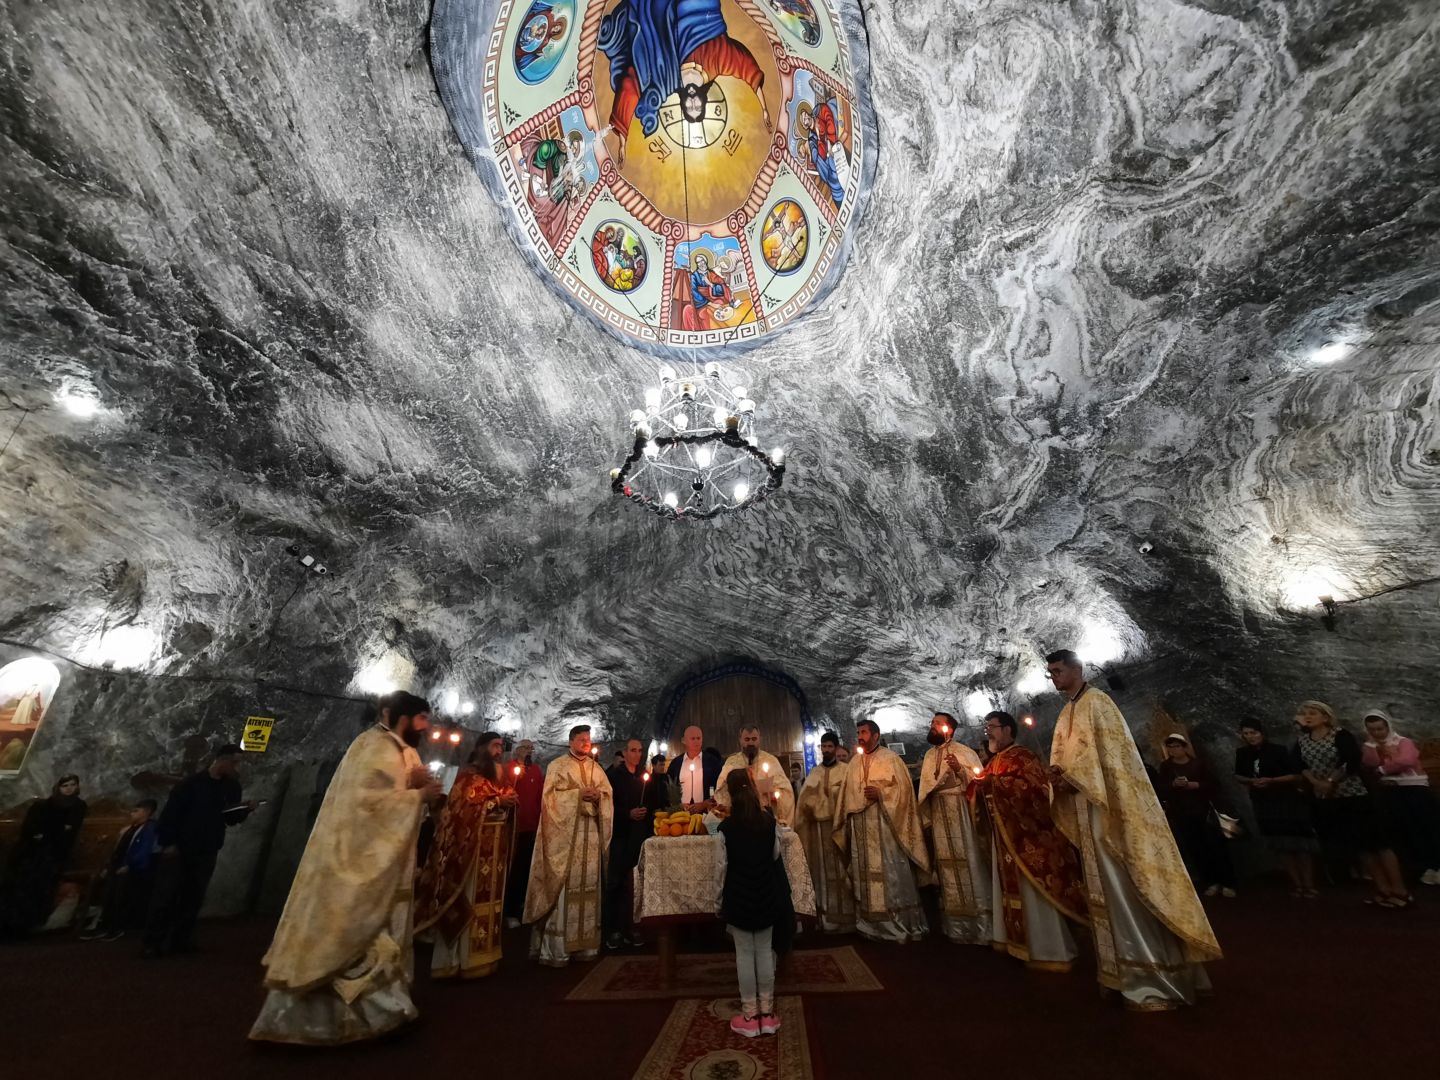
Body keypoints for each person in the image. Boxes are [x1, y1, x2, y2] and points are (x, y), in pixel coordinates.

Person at [250, 693, 442, 1044]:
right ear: (399, 717)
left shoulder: (402, 750)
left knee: (383, 931)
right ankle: (326, 1022)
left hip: (388, 866)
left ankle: (386, 1010)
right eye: (421, 720)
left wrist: (417, 791)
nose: (426, 727)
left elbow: (395, 799)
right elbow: (367, 808)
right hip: (355, 865)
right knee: (350, 934)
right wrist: (417, 797)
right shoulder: (374, 747)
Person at [1046, 650, 1219, 1009]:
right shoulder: (1066, 713)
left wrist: (1072, 776)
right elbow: (1062, 758)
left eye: (1059, 671)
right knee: (1102, 890)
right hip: (1084, 807)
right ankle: (1119, 971)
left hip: (1108, 808)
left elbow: (1113, 758)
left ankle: (1153, 973)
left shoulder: (1100, 704)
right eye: (1051, 673)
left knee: (1123, 882)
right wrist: (1057, 778)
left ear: (1078, 669)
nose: (1054, 678)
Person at [971, 712, 1086, 970]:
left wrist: (997, 785)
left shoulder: (1023, 756)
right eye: (986, 727)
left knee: (1035, 892)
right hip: (1006, 840)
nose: (988, 732)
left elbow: (1037, 793)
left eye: (993, 727)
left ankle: (1050, 949)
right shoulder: (994, 760)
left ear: (1009, 729)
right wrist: (980, 788)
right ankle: (1016, 944)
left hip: (1029, 839)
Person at [415, 732, 517, 979]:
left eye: (501, 747)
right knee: (467, 903)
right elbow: (461, 810)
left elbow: (499, 806)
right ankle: (457, 961)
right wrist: (495, 803)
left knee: (489, 905)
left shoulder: (495, 779)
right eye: (494, 746)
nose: (498, 751)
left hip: (492, 856)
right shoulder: (468, 777)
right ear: (482, 748)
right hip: (469, 855)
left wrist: (509, 802)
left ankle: (485, 958)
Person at [1293, 700, 1408, 906]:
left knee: (1378, 842)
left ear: (1325, 717)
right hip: (1329, 800)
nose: (1308, 717)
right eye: (1304, 714)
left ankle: (1399, 889)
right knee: (1360, 845)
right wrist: (1315, 783)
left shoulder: (1340, 735)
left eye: (1312, 713)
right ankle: (1382, 888)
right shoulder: (1302, 740)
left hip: (1354, 795)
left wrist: (1331, 781)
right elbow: (1298, 764)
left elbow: (1351, 760)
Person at [143, 747, 253, 956]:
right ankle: (153, 942)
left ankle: (180, 940)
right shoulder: (191, 784)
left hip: (206, 848)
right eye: (235, 763)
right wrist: (169, 842)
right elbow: (171, 814)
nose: (238, 768)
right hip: (179, 848)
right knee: (165, 896)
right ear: (222, 760)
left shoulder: (231, 787)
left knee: (193, 896)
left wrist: (244, 810)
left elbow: (229, 818)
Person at [524, 724, 613, 966]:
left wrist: (599, 798)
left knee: (589, 888)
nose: (586, 743)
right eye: (582, 739)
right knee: (565, 888)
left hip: (591, 837)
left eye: (589, 739)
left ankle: (586, 946)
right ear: (571, 741)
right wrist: (577, 796)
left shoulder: (597, 768)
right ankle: (558, 949)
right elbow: (549, 799)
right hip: (567, 841)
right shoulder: (557, 766)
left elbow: (607, 794)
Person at [833, 719, 929, 942]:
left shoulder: (891, 759)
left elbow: (905, 794)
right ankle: (869, 923)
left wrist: (882, 795)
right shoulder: (854, 763)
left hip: (887, 829)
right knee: (864, 873)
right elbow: (846, 797)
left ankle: (898, 921)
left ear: (876, 735)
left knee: (890, 874)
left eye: (864, 732)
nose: (860, 736)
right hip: (861, 830)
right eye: (858, 732)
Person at [717, 768, 792, 1039]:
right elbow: (774, 857)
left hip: (738, 897)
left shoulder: (725, 828)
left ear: (730, 794)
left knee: (744, 956)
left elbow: (721, 870)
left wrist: (719, 902)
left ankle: (749, 1015)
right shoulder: (768, 822)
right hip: (765, 894)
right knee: (764, 952)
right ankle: (768, 1014)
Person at [916, 712, 991, 944]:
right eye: (932, 723)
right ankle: (955, 928)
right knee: (945, 866)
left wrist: (960, 769)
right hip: (939, 814)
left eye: (937, 723)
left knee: (969, 862)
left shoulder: (964, 751)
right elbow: (927, 786)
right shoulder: (929, 755)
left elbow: (978, 781)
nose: (932, 726)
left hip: (961, 812)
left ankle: (982, 927)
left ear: (949, 728)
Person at [1234, 719, 1319, 897]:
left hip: (1286, 799)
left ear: (1262, 733)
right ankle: (1297, 884)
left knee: (1299, 842)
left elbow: (1295, 775)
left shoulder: (1278, 750)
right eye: (1246, 734)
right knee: (1280, 844)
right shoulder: (1242, 753)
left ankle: (1309, 883)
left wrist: (1272, 781)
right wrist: (1251, 781)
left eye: (1254, 733)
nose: (1250, 737)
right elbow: (1238, 775)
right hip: (1263, 801)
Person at [0, 774, 87, 935]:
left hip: (55, 853)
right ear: (58, 787)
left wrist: (46, 834)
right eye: (65, 785)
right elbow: (30, 830)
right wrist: (45, 834)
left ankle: (30, 923)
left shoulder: (78, 806)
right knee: (19, 878)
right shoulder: (42, 806)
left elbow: (67, 831)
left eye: (72, 785)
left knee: (40, 880)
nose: (69, 788)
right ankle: (10, 922)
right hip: (30, 850)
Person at [1362, 710, 1440, 884]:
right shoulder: (1371, 745)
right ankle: (1412, 869)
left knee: (1424, 828)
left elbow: (1407, 760)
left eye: (1380, 729)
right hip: (1391, 792)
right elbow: (1370, 763)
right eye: (1372, 730)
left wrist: (1383, 769)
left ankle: (1434, 866)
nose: (1377, 733)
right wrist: (1372, 747)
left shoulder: (1404, 742)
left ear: (1387, 726)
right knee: (1400, 832)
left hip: (1414, 788)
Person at [1156, 734, 1237, 898]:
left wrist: (1196, 785)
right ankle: (1211, 881)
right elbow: (1161, 788)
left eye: (1176, 746)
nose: (1173, 750)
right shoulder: (1166, 767)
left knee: (1217, 848)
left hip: (1204, 811)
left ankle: (1227, 882)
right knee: (1197, 849)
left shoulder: (1199, 764)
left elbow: (1215, 784)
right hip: (1183, 814)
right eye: (1170, 747)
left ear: (1184, 747)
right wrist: (1173, 785)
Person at [604, 737, 666, 948]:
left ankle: (632, 927)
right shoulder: (613, 776)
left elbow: (653, 802)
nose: (637, 754)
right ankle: (613, 929)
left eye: (640, 751)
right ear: (625, 752)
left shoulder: (644, 776)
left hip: (639, 836)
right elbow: (608, 807)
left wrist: (646, 814)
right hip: (621, 835)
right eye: (633, 750)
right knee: (616, 883)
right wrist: (627, 813)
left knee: (635, 884)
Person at [793, 731, 855, 933]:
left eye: (830, 746)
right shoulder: (814, 773)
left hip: (839, 829)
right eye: (823, 747)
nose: (826, 750)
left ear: (836, 748)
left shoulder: (846, 771)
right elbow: (803, 803)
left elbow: (850, 799)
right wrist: (808, 808)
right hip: (819, 833)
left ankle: (845, 919)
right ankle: (824, 915)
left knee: (840, 870)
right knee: (821, 873)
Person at [83, 798, 160, 941]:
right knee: (108, 895)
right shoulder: (132, 829)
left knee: (119, 896)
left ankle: (115, 927)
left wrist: (129, 865)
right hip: (119, 866)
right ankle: (104, 926)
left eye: (136, 811)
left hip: (133, 870)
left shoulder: (149, 828)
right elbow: (120, 849)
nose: (132, 813)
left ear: (146, 812)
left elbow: (144, 851)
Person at [716, 726, 796, 826]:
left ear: (759, 739)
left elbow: (786, 791)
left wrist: (774, 795)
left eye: (754, 739)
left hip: (765, 821)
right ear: (740, 740)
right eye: (747, 739)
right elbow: (721, 791)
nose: (750, 743)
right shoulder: (731, 763)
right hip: (739, 820)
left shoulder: (771, 761)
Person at [504, 739, 544, 926]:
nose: (529, 751)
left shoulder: (535, 770)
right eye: (526, 748)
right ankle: (509, 910)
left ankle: (522, 906)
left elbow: (540, 796)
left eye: (531, 748)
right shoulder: (509, 768)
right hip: (514, 827)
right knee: (513, 869)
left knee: (527, 869)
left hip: (532, 826)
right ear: (518, 750)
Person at [667, 725, 721, 811]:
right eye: (693, 738)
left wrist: (704, 804)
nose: (696, 741)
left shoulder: (712, 762)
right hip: (681, 813)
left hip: (705, 813)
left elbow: (719, 787)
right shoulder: (676, 763)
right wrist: (678, 804)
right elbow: (669, 788)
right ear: (684, 740)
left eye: (698, 738)